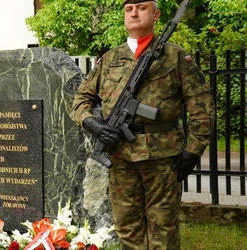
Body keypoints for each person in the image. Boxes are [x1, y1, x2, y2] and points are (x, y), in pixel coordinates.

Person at [70, 0, 214, 249]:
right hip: (120, 156)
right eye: (129, 9)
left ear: (156, 14)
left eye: (141, 7)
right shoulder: (109, 58)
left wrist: (193, 150)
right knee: (127, 227)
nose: (134, 13)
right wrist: (91, 122)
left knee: (163, 229)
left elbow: (201, 106)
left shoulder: (176, 56)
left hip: (162, 156)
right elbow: (82, 98)